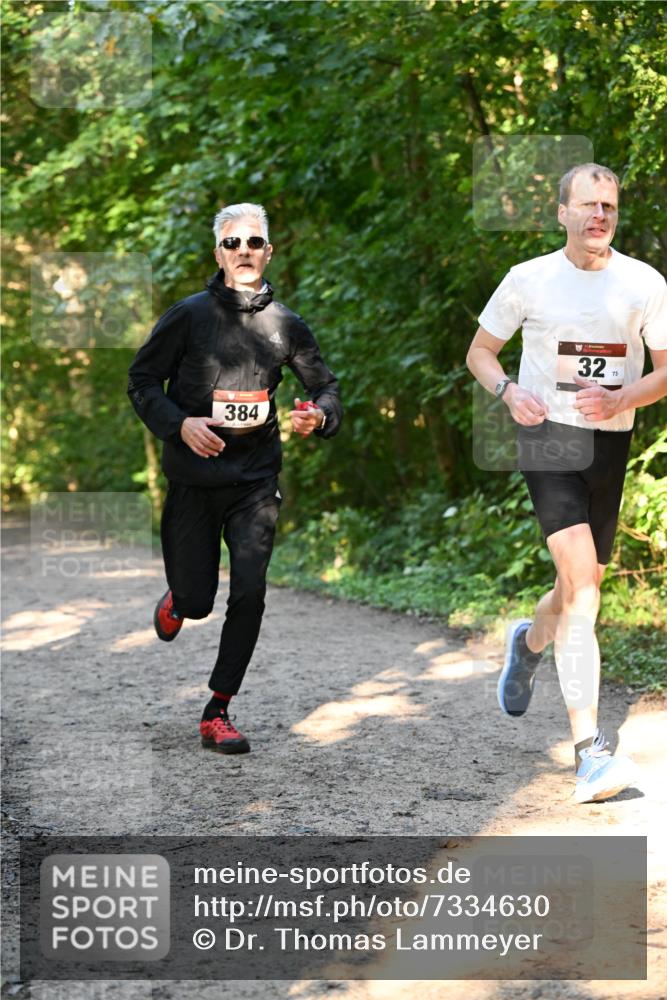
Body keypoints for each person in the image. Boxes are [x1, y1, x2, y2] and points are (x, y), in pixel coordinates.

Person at [466, 163, 667, 803]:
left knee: (579, 586)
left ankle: (527, 643)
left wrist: (621, 398)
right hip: (547, 436)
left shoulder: (644, 283)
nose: (599, 215)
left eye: (608, 206)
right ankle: (590, 755)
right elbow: (480, 352)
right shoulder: (528, 278)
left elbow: (665, 371)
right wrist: (509, 391)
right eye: (587, 205)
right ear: (562, 213)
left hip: (610, 441)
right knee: (583, 590)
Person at [128, 202, 342, 755]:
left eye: (253, 242)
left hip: (255, 482)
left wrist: (318, 416)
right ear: (218, 254)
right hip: (194, 480)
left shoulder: (286, 325)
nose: (243, 251)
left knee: (250, 591)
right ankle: (180, 599)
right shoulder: (188, 316)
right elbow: (142, 381)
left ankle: (218, 710)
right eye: (232, 243)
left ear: (268, 252)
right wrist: (180, 425)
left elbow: (326, 388)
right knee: (199, 600)